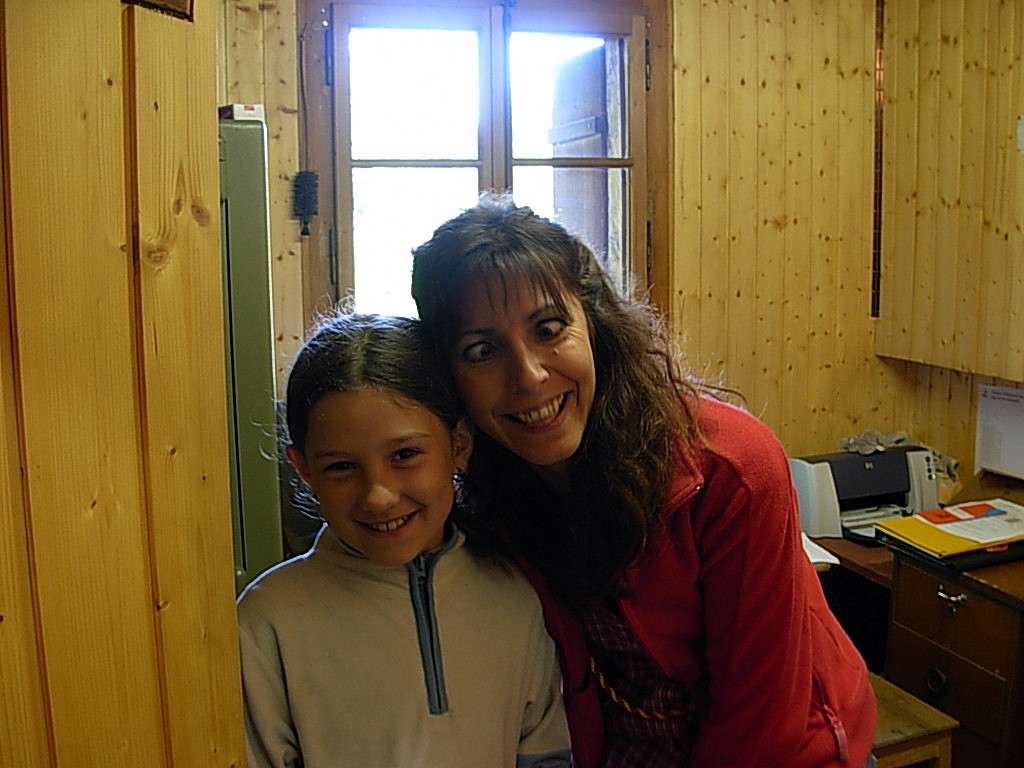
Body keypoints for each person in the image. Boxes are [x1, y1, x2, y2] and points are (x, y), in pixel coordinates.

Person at [410, 193, 878, 768]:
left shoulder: (730, 469)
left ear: (593, 323)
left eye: (549, 329)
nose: (528, 376)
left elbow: (760, 725)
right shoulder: (488, 489)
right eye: (482, 350)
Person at [236, 311, 572, 768]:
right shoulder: (265, 623)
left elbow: (546, 752)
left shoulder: (515, 593)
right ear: (304, 469)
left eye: (405, 455)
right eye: (341, 467)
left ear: (460, 444)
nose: (378, 496)